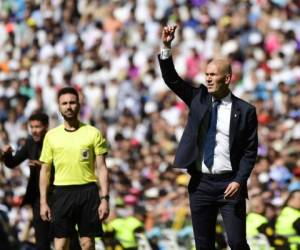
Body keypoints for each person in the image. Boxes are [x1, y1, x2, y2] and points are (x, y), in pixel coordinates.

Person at [158, 25, 258, 250]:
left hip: (229, 183)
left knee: (237, 242)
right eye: (207, 75)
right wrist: (166, 46)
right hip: (201, 184)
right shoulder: (198, 98)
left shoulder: (245, 110)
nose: (209, 79)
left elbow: (250, 152)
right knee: (203, 244)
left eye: (214, 75)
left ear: (228, 78)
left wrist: (239, 181)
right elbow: (171, 79)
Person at [39, 86, 110, 250]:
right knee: (61, 244)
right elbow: (45, 171)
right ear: (59, 106)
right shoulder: (51, 136)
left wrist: (105, 199)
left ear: (79, 105)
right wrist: (43, 202)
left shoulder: (93, 133)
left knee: (87, 244)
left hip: (88, 192)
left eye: (72, 102)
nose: (68, 106)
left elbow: (102, 168)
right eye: (64, 103)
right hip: (61, 192)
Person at [1, 112, 52, 250]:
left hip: (57, 196)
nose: (34, 130)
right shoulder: (29, 143)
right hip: (37, 198)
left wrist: (43, 165)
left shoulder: (55, 142)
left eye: (38, 127)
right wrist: (7, 154)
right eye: (31, 127)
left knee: (65, 238)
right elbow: (12, 163)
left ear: (46, 127)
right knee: (41, 242)